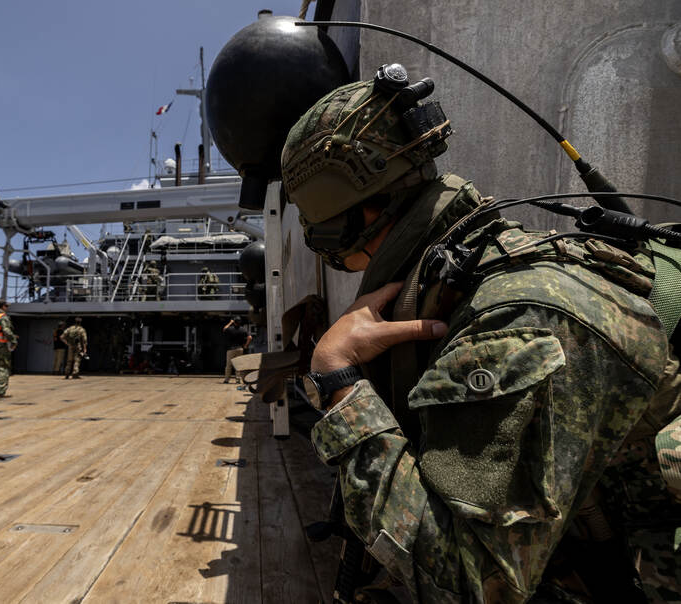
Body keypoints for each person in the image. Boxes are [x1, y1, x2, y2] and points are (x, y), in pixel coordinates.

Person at [280, 70, 680, 602]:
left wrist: (339, 382)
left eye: (327, 242)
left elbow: (470, 584)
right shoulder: (478, 268)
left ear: (359, 216)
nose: (338, 263)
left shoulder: (512, 322)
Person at [222, 316, 251, 384]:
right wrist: (246, 345)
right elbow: (250, 337)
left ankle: (227, 380)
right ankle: (238, 380)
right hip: (240, 349)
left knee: (229, 365)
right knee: (238, 364)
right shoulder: (243, 329)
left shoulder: (230, 329)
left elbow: (224, 329)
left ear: (234, 322)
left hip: (231, 349)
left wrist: (230, 322)